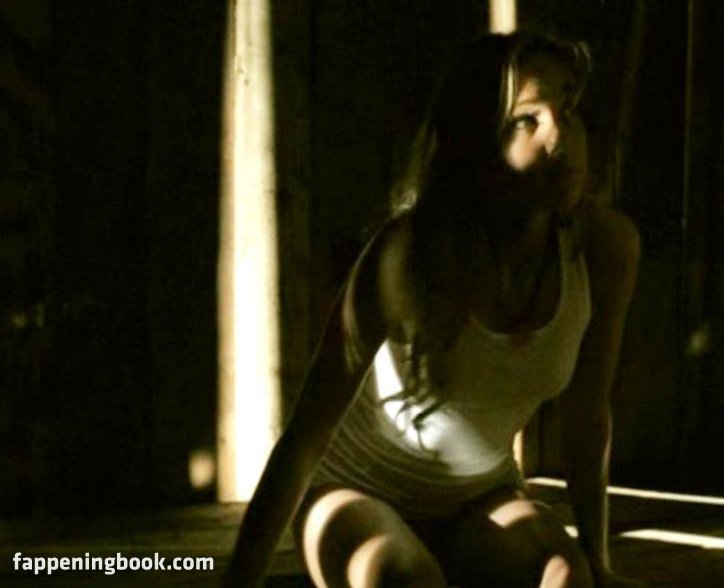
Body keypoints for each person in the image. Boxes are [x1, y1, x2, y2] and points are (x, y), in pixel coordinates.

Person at [224, 31, 643, 588]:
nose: (561, 136)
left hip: (480, 500)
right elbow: (305, 439)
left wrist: (597, 562)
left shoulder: (604, 249)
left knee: (567, 577)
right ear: (477, 144)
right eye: (528, 119)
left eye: (567, 108)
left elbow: (588, 414)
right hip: (355, 493)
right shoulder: (405, 257)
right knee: (406, 578)